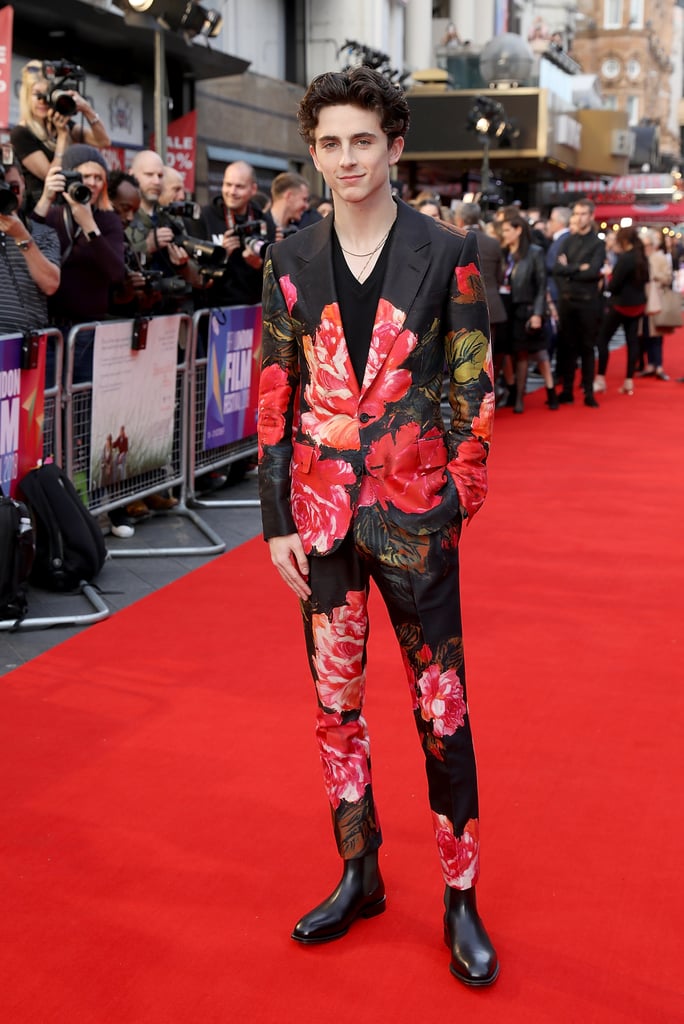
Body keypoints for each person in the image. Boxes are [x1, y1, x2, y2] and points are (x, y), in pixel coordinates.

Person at [257, 66, 498, 987]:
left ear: (395, 146)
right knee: (335, 707)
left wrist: (455, 498)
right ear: (313, 153)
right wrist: (278, 518)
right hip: (319, 522)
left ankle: (460, 893)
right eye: (330, 143)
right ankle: (359, 872)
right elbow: (275, 398)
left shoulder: (449, 249)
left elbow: (473, 383)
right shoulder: (289, 258)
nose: (347, 159)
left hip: (416, 516)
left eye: (364, 140)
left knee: (443, 712)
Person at [11, 61, 110, 210]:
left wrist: (86, 109)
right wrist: (63, 137)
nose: (43, 101)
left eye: (48, 94)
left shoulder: (61, 124)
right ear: (26, 97)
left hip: (68, 205)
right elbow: (51, 176)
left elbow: (103, 141)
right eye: (38, 95)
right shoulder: (21, 133)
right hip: (40, 210)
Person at [197, 160, 276, 308]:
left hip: (253, 310)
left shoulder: (264, 221)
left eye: (239, 186)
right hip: (215, 312)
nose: (232, 192)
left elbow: (274, 275)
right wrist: (221, 254)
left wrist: (259, 265)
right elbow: (196, 271)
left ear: (253, 189)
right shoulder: (205, 217)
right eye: (228, 184)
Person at [499, 210, 557, 412]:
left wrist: (537, 314)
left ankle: (519, 399)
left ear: (518, 230)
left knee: (524, 354)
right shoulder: (504, 251)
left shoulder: (534, 252)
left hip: (526, 308)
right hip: (506, 308)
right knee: (510, 353)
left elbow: (541, 286)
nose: (503, 233)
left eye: (507, 230)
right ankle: (513, 392)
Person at [553, 198, 605, 407]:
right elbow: (557, 269)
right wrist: (579, 268)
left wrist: (571, 269)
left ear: (591, 216)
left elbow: (593, 271)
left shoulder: (598, 243)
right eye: (576, 213)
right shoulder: (567, 241)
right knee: (567, 347)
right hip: (567, 301)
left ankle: (588, 391)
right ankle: (566, 390)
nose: (579, 217)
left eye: (583, 213)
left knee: (587, 348)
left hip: (588, 302)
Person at [0, 160, 60, 335]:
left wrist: (22, 237)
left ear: (24, 184)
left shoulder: (43, 233)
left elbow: (50, 284)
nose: (7, 193)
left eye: (13, 187)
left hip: (27, 344)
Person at [594, 225, 648, 396]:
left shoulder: (626, 259)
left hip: (621, 304)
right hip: (637, 305)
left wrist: (609, 277)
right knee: (632, 341)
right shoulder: (642, 257)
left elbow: (615, 284)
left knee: (602, 339)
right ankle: (628, 381)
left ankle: (601, 378)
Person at [638, 230, 672, 381]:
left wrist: (655, 277)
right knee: (645, 333)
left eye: (648, 245)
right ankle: (650, 364)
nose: (646, 248)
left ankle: (658, 365)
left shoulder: (659, 258)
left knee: (657, 334)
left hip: (656, 299)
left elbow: (667, 277)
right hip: (642, 300)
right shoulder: (640, 258)